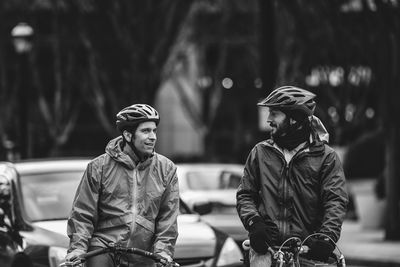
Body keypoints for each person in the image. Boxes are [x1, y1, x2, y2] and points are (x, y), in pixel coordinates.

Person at [236, 86, 348, 266]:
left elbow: (335, 201)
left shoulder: (325, 157)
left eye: (274, 113)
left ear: (294, 119)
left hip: (307, 254)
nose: (269, 119)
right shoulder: (260, 152)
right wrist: (254, 222)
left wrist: (326, 238)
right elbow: (245, 194)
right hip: (267, 253)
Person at [65, 104, 179, 267]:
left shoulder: (166, 169)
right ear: (127, 135)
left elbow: (168, 217)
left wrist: (163, 252)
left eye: (154, 130)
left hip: (144, 251)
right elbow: (83, 213)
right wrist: (77, 250)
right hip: (104, 248)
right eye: (145, 131)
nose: (153, 136)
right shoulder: (99, 167)